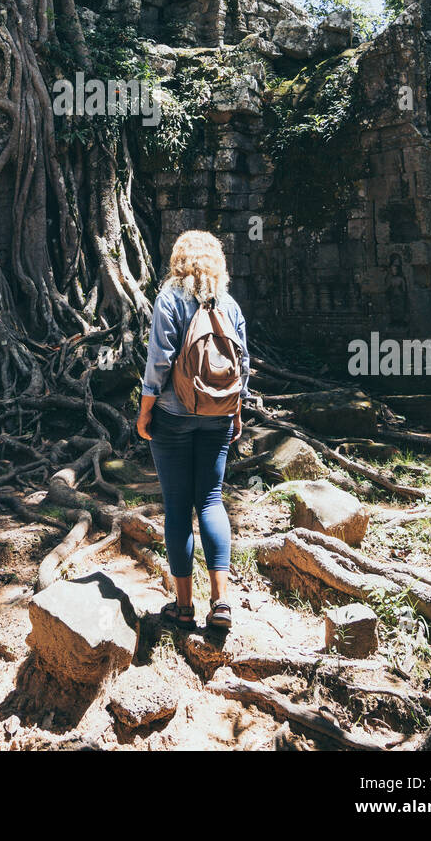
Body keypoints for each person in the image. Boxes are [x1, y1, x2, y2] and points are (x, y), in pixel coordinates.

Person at [137, 230, 250, 630]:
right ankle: (221, 603)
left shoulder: (170, 299)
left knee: (178, 507)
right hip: (219, 414)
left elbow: (159, 362)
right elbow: (243, 365)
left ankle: (183, 607)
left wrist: (145, 411)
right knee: (211, 500)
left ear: (179, 261)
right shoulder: (230, 305)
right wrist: (236, 414)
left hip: (173, 414)